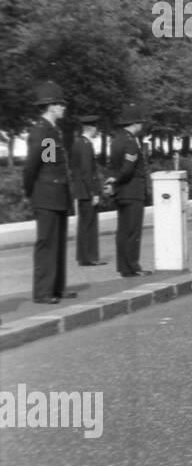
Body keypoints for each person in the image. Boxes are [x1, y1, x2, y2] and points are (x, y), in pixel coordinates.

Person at [23, 81, 76, 304]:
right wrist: (32, 192)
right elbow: (34, 166)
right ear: (51, 106)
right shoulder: (43, 131)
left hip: (56, 193)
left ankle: (57, 287)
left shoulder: (52, 130)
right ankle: (44, 291)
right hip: (46, 194)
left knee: (58, 242)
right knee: (47, 243)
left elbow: (50, 161)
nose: (63, 107)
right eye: (60, 104)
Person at [107, 105, 150, 278]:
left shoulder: (116, 140)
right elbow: (128, 168)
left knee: (123, 230)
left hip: (121, 192)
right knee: (133, 230)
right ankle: (133, 266)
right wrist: (117, 179)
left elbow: (112, 165)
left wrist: (113, 182)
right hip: (133, 190)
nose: (142, 125)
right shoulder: (131, 141)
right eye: (140, 122)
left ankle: (123, 266)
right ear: (135, 123)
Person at [70, 114, 105, 266]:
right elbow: (87, 171)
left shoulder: (79, 142)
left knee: (85, 224)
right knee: (89, 224)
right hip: (86, 191)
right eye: (96, 127)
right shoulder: (85, 144)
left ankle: (85, 256)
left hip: (81, 190)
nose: (97, 130)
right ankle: (89, 257)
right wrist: (94, 193)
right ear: (91, 128)